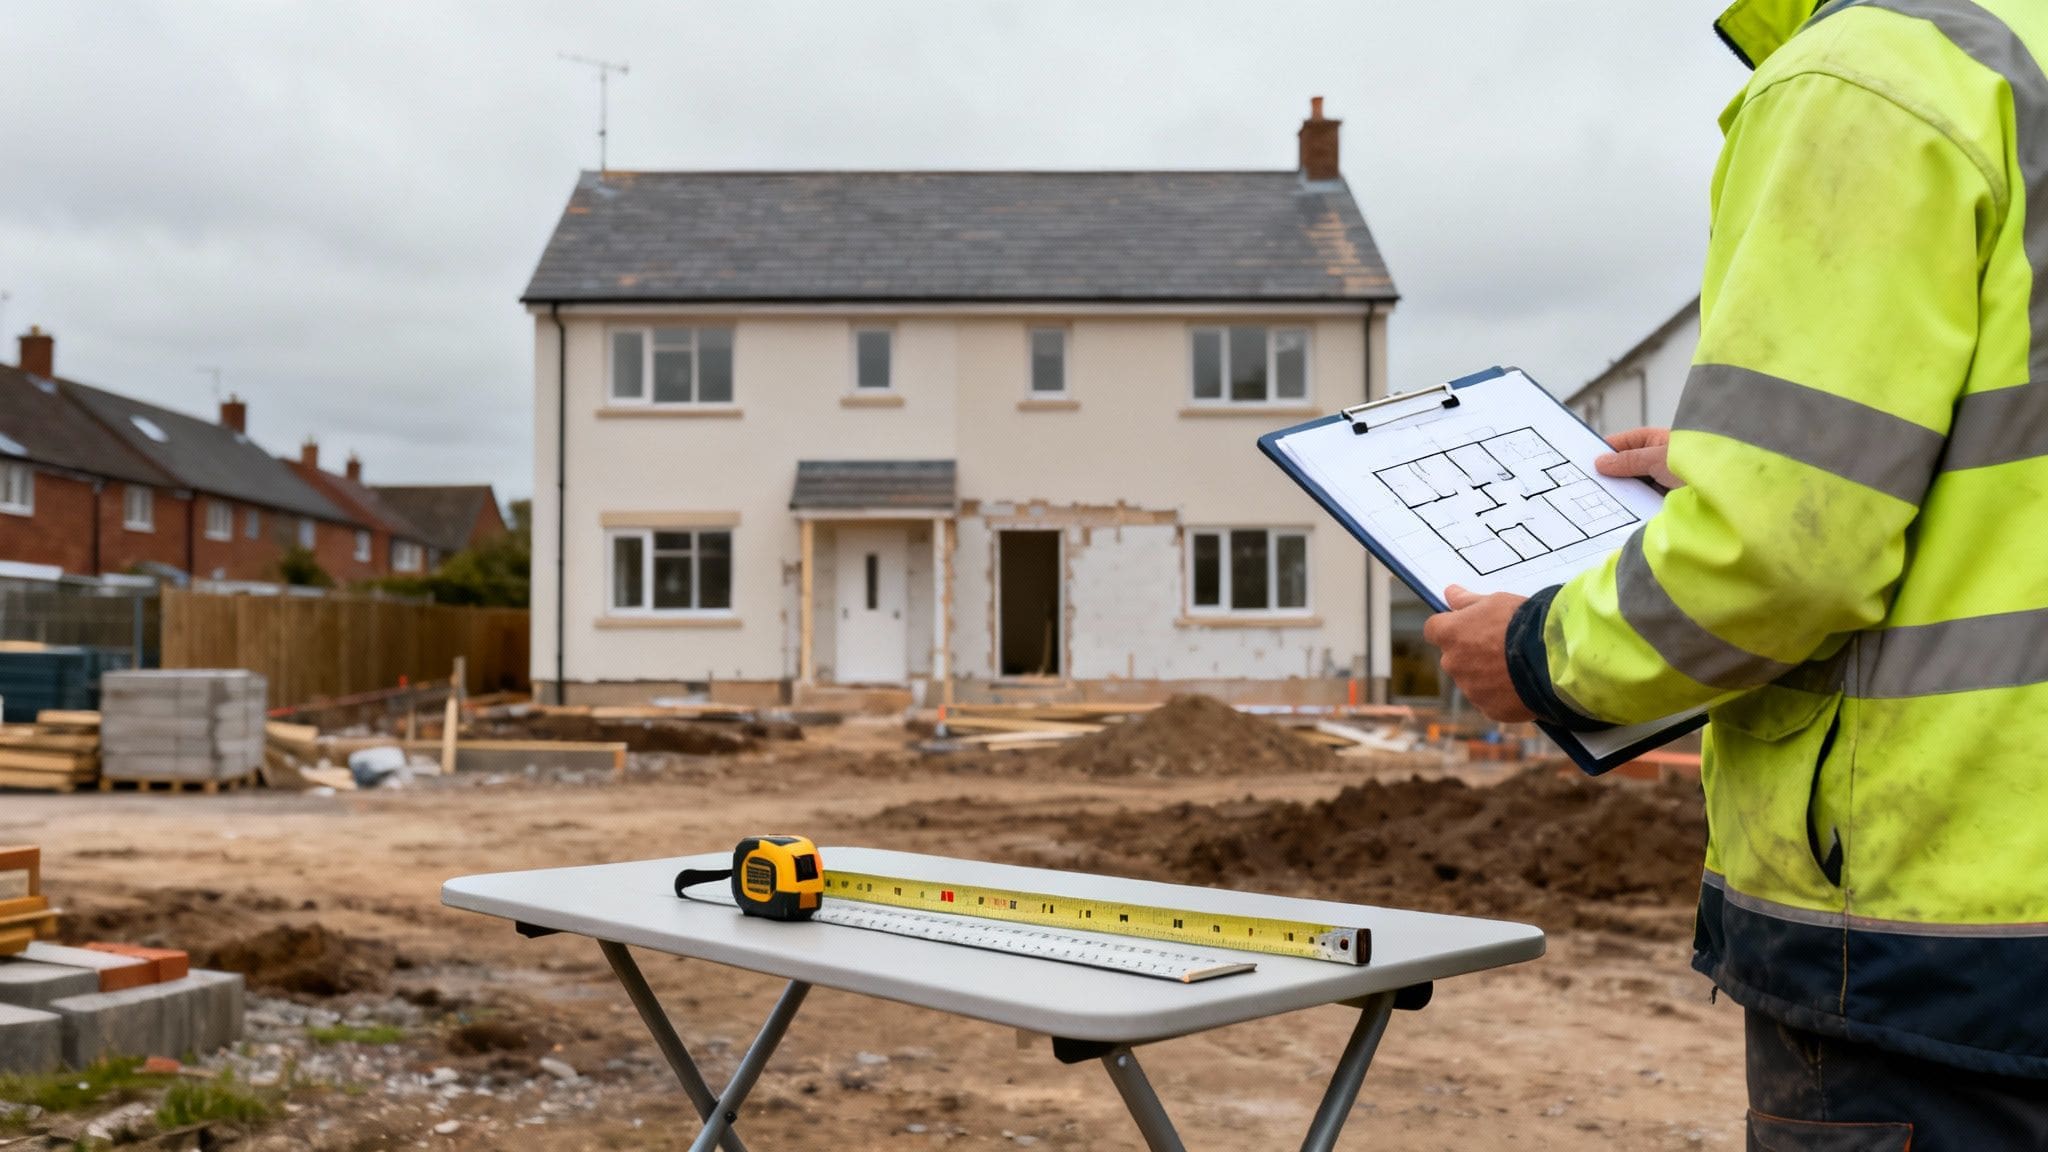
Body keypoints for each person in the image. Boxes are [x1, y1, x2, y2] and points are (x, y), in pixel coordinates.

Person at [1423, 0, 2048, 1146]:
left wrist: (1536, 653)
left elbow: (1779, 561)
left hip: (1944, 930)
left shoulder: (1873, 76)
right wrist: (1761, 469)